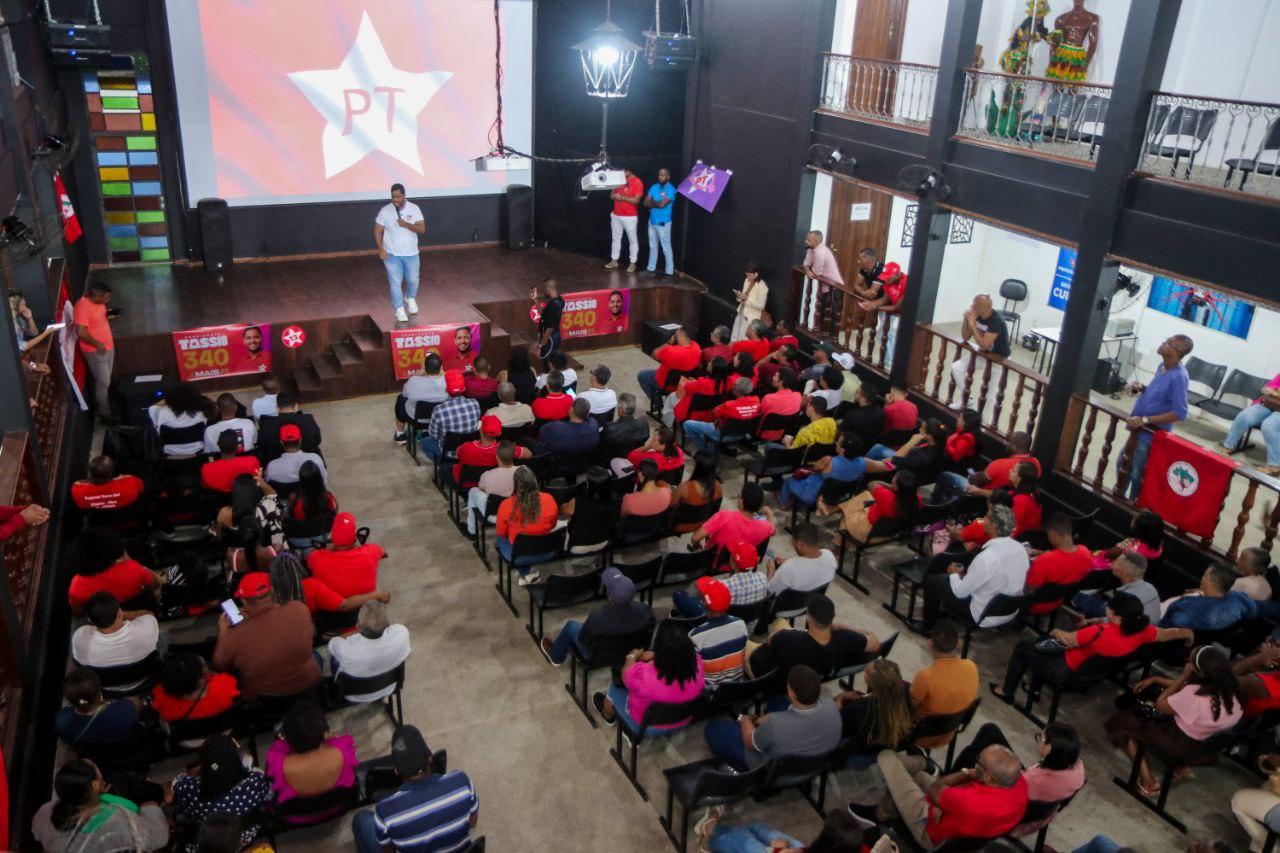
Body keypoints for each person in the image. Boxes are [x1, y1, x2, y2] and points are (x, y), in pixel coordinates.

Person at [993, 592, 1192, 705]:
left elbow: (1068, 640)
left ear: (1117, 617)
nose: (1107, 608)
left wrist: (1056, 631)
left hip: (1065, 671)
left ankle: (1007, 691)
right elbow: (1167, 634)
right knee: (1044, 644)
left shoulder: (1099, 631)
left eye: (1109, 608)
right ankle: (1033, 689)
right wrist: (1187, 633)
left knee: (1024, 647)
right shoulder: (1143, 630)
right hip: (1091, 673)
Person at [1105, 644, 1245, 797]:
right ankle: (1182, 768)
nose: (1186, 663)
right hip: (1201, 748)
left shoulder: (1195, 696)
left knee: (1123, 722)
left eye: (1189, 661)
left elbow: (1161, 705)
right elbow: (1187, 688)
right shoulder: (1233, 696)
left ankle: (1148, 782)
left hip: (1176, 742)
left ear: (1197, 670)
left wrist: (1183, 676)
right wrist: (1157, 679)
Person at [866, 743, 1028, 849]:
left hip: (927, 829)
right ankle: (881, 814)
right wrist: (944, 803)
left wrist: (967, 773)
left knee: (885, 755)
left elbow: (936, 788)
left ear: (986, 777)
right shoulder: (1020, 786)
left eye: (979, 761)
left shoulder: (969, 802)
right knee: (918, 776)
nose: (976, 761)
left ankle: (922, 761)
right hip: (955, 825)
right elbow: (947, 795)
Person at [351, 725, 480, 853]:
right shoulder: (462, 781)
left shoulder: (385, 811)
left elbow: (389, 851)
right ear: (430, 758)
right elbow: (472, 823)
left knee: (361, 819)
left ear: (396, 770)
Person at [951, 722, 1086, 836]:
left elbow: (1005, 789)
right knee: (990, 731)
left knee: (976, 756)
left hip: (1013, 811)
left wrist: (975, 771)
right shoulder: (1079, 768)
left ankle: (948, 783)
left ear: (1049, 749)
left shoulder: (1033, 780)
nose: (1039, 743)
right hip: (1038, 812)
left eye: (1041, 739)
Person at [212, 561, 321, 698]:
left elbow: (219, 664)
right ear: (274, 590)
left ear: (244, 601)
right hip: (309, 684)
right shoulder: (299, 608)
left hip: (267, 697)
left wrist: (223, 630)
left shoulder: (233, 637)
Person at [704, 664, 841, 769]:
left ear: (792, 694)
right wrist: (768, 718)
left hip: (767, 765)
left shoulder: (775, 726)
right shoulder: (832, 707)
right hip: (813, 763)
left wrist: (744, 720)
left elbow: (748, 741)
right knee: (777, 701)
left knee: (713, 728)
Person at [921, 504, 1028, 629]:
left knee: (932, 580)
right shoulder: (1021, 550)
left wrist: (954, 574)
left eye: (986, 517)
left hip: (983, 615)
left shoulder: (986, 559)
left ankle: (927, 626)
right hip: (1009, 611)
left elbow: (960, 593)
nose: (983, 519)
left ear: (993, 526)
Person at [33, 758, 170, 851]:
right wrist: (152, 808)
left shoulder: (45, 812)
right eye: (97, 771)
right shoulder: (119, 824)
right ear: (96, 784)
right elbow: (159, 837)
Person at [1119, 334, 1194, 498]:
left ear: (1177, 352)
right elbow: (1161, 395)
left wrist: (1145, 420)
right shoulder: (1162, 366)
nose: (1163, 343)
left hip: (1149, 435)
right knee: (1123, 465)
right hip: (1138, 430)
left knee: (1137, 475)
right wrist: (1143, 388)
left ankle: (1132, 508)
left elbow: (1179, 413)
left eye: (1168, 343)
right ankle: (1118, 498)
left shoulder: (1179, 377)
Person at [172, 734, 272, 851]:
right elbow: (268, 795)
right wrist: (240, 754)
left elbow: (176, 783)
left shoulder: (187, 786)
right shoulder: (255, 781)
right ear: (235, 760)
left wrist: (206, 767)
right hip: (241, 838)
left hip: (202, 845)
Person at [592, 625, 705, 728]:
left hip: (646, 725)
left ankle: (608, 717)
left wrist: (631, 656)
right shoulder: (698, 667)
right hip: (682, 720)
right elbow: (678, 658)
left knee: (614, 689)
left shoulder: (642, 675)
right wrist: (657, 655)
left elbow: (625, 674)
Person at [540, 566, 654, 666]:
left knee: (571, 627)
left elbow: (581, 641)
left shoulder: (597, 617)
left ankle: (556, 657)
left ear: (609, 595)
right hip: (628, 651)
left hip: (596, 657)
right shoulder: (645, 610)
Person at [747, 593, 878, 679]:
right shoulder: (844, 638)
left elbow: (771, 639)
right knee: (780, 621)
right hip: (809, 672)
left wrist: (783, 634)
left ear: (809, 618)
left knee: (744, 644)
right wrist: (844, 626)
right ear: (832, 618)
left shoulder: (790, 640)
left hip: (767, 674)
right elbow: (874, 643)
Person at [266, 702, 358, 820]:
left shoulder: (277, 763)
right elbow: (336, 741)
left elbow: (277, 751)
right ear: (324, 731)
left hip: (297, 818)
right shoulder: (342, 750)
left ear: (288, 737)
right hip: (336, 809)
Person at [910, 620, 980, 745]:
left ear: (930, 643)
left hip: (922, 733)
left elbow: (908, 706)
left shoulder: (925, 677)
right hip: (951, 729)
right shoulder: (971, 666)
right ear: (958, 644)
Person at [328, 601, 412, 701]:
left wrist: (355, 632)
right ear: (388, 625)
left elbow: (332, 643)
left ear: (358, 627)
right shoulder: (402, 633)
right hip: (389, 687)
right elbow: (394, 628)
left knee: (333, 657)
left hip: (354, 695)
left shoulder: (345, 650)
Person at [54, 665, 156, 746]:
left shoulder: (63, 721)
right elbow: (136, 702)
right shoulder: (125, 711)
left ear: (71, 701)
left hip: (96, 755)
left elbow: (68, 740)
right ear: (99, 694)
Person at [67, 527, 162, 611]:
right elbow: (156, 584)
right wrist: (129, 561)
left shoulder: (76, 587)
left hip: (103, 620)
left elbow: (78, 612)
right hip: (138, 607)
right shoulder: (133, 569)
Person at [495, 466, 560, 586]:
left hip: (519, 557)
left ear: (515, 485)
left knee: (499, 538)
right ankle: (527, 574)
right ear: (535, 482)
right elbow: (553, 525)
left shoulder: (506, 505)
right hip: (547, 552)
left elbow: (501, 533)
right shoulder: (549, 499)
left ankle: (526, 572)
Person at [835, 658, 914, 754]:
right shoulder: (906, 688)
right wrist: (864, 697)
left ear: (872, 683)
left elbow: (837, 722)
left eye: (866, 673)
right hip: (893, 743)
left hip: (866, 750)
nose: (864, 674)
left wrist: (839, 699)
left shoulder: (857, 708)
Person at [697, 809, 867, 853]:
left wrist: (778, 851)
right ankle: (715, 829)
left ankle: (709, 843)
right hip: (803, 850)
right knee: (758, 828)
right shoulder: (859, 847)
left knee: (742, 839)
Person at [826, 469, 920, 545]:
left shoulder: (887, 496)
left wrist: (891, 487)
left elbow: (872, 484)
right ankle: (834, 510)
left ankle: (838, 548)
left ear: (897, 487)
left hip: (867, 532)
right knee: (865, 496)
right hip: (890, 533)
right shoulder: (917, 500)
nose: (893, 478)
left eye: (894, 478)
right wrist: (896, 489)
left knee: (848, 512)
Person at [374, 182, 425, 322]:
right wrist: (381, 248)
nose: (395, 200)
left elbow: (422, 229)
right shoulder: (385, 211)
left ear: (404, 196)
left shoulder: (414, 209)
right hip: (392, 254)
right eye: (393, 197)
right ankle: (399, 309)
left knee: (413, 280)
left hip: (412, 254)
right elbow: (378, 231)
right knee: (395, 282)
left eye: (397, 196)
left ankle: (410, 297)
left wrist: (406, 225)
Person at [1024, 513, 1094, 613]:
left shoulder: (1044, 561)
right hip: (1058, 600)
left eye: (1048, 534)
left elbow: (1029, 590)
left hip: (1035, 604)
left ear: (1053, 533)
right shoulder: (1086, 554)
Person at [950, 294, 1011, 409]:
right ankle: (966, 400)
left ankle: (986, 422)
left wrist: (973, 324)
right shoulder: (976, 315)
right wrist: (965, 320)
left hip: (999, 360)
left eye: (974, 305)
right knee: (956, 368)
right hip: (984, 354)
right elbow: (965, 337)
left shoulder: (997, 322)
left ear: (983, 310)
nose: (971, 306)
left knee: (991, 395)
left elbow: (983, 345)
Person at [72, 591, 161, 669]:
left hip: (104, 686)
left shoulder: (79, 638)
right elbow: (149, 615)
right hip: (145, 681)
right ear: (119, 613)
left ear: (90, 620)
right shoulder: (146, 629)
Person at [780, 430, 866, 511]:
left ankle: (783, 505)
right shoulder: (863, 463)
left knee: (788, 480)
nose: (836, 443)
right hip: (835, 497)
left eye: (838, 442)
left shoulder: (828, 461)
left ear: (842, 450)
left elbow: (814, 469)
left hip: (814, 496)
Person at [306, 512, 386, 598]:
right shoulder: (371, 551)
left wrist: (330, 547)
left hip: (332, 604)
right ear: (355, 537)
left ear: (332, 538)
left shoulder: (316, 557)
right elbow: (383, 553)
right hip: (364, 601)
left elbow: (309, 565)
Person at [687, 578, 750, 688]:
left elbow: (692, 669)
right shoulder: (740, 623)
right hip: (737, 685)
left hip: (710, 692)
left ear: (704, 603)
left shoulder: (695, 636)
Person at [1161, 564, 1258, 632]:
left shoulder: (1187, 609)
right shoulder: (1239, 601)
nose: (1202, 578)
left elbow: (1168, 625)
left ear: (1213, 582)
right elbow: (1253, 609)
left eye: (1204, 576)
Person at [1074, 550, 1162, 623]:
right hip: (1140, 630)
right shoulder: (1151, 588)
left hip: (1127, 633)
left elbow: (1113, 620)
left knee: (1078, 597)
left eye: (1117, 562)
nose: (1113, 563)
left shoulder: (1126, 597)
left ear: (1125, 572)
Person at [691, 482, 776, 556]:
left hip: (714, 562)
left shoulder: (723, 516)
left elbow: (695, 538)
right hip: (739, 563)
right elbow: (772, 529)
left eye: (739, 495)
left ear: (741, 502)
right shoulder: (763, 527)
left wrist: (696, 546)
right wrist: (769, 512)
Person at [151, 652, 240, 722]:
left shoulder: (162, 698)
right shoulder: (225, 686)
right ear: (199, 680)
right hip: (221, 730)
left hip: (187, 740)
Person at [683, 376, 761, 455]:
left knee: (687, 424)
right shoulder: (756, 400)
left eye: (734, 386)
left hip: (723, 434)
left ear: (736, 390)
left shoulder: (729, 405)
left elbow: (714, 412)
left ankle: (704, 450)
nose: (732, 386)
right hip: (743, 434)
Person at [73, 281, 117, 417]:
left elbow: (96, 320)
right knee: (103, 382)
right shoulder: (82, 307)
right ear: (96, 295)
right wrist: (97, 343)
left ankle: (108, 407)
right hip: (96, 352)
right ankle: (106, 414)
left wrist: (109, 314)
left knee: (106, 380)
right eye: (106, 298)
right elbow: (80, 331)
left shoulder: (99, 304)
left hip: (108, 347)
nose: (108, 300)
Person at [1222, 372, 1280, 474]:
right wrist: (1269, 390)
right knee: (1244, 417)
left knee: (1269, 426)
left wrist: (1276, 393)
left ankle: (1275, 465)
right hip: (1269, 403)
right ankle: (1228, 446)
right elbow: (1266, 388)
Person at [421, 370, 481, 463]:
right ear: (464, 388)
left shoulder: (439, 410)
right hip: (468, 450)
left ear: (446, 389)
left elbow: (434, 435)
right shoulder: (475, 404)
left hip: (448, 454)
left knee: (424, 442)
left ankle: (443, 464)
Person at [453, 414, 529, 486]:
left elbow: (457, 453)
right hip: (493, 484)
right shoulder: (504, 449)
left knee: (446, 468)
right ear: (499, 433)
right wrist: (513, 449)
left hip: (466, 485)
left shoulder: (466, 447)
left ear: (480, 429)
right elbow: (528, 454)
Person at [465, 440, 521, 536]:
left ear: (497, 457)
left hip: (495, 515)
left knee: (473, 491)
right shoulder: (522, 472)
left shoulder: (487, 475)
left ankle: (472, 531)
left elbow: (481, 488)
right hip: (518, 511)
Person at [765, 523, 837, 596]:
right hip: (813, 601)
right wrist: (791, 560)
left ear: (800, 544)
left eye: (793, 542)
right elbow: (809, 563)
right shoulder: (829, 556)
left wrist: (770, 572)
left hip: (787, 605)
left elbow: (769, 592)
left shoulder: (788, 568)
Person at [216, 472, 284, 549]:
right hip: (264, 551)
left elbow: (220, 538)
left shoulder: (223, 513)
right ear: (255, 491)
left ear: (235, 492)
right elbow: (272, 495)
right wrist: (261, 481)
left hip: (238, 555)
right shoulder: (267, 507)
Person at [639, 326, 702, 407]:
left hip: (666, 384)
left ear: (682, 334)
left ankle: (659, 404)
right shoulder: (696, 347)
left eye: (677, 332)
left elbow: (654, 354)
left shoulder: (670, 350)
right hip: (684, 383)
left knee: (642, 375)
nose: (675, 333)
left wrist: (668, 343)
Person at [967, 431, 1040, 496]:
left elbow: (978, 480)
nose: (1007, 444)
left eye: (1009, 442)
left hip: (986, 499)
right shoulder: (1036, 464)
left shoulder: (1000, 464)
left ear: (1014, 447)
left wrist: (972, 477)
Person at [1090, 508, 1165, 571]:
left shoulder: (1131, 546)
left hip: (1117, 569)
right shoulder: (1158, 543)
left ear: (1140, 530)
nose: (1131, 523)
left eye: (1133, 522)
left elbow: (1109, 554)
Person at [148, 381, 208, 458]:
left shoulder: (162, 412)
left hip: (170, 456)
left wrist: (172, 399)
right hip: (197, 455)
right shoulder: (201, 413)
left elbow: (152, 408)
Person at [259, 391, 322, 461]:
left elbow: (262, 447)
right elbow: (317, 441)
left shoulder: (266, 425)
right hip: (307, 461)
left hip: (277, 460)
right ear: (296, 406)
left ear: (277, 408)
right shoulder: (308, 419)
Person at [670, 450, 723, 533]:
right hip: (703, 523)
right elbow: (715, 509)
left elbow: (669, 504)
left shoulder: (685, 487)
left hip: (680, 525)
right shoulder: (718, 487)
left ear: (698, 468)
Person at [71, 454, 145, 511]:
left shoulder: (77, 490)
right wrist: (121, 478)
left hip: (98, 520)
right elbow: (141, 487)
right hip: (124, 516)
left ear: (90, 474)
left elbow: (79, 483)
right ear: (111, 473)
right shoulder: (131, 483)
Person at [535, 397, 600, 460]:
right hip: (584, 464)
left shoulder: (554, 427)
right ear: (588, 414)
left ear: (571, 410)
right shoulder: (594, 424)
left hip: (559, 465)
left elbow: (542, 433)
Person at [606, 169, 645, 272]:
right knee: (616, 238)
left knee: (632, 240)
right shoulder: (618, 179)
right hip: (616, 214)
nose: (622, 172)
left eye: (624, 170)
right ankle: (614, 260)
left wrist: (622, 197)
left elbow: (637, 200)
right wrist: (613, 196)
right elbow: (611, 194)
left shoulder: (638, 182)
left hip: (630, 216)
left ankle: (633, 263)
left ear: (631, 170)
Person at [201, 430, 262, 494]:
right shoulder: (252, 461)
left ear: (218, 444)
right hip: (247, 499)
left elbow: (206, 488)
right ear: (238, 446)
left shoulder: (206, 468)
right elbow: (258, 482)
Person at [645, 166, 677, 276]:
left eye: (663, 175)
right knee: (653, 246)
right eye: (659, 174)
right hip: (652, 221)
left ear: (668, 177)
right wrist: (655, 203)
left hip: (663, 222)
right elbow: (645, 202)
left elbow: (662, 205)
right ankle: (650, 268)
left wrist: (652, 201)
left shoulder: (671, 189)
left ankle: (669, 273)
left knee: (666, 248)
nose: (660, 176)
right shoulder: (654, 186)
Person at [600, 392, 650, 462]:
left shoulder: (610, 428)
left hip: (612, 460)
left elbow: (602, 445)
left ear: (620, 409)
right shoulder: (643, 424)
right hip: (632, 458)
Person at [758, 367, 803, 441]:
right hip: (781, 434)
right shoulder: (798, 396)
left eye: (775, 376)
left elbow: (760, 414)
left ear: (781, 382)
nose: (773, 377)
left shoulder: (768, 398)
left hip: (763, 433)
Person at [731, 262, 769, 341]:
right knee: (734, 336)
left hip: (750, 318)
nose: (747, 277)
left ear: (756, 274)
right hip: (741, 312)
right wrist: (739, 296)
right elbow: (744, 295)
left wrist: (746, 299)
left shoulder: (762, 287)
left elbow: (761, 305)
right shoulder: (746, 281)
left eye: (749, 275)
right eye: (746, 275)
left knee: (742, 339)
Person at [532, 277, 565, 359]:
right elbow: (544, 315)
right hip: (555, 336)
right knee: (552, 361)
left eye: (544, 289)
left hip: (550, 338)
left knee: (549, 363)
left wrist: (540, 346)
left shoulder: (553, 305)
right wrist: (535, 300)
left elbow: (550, 328)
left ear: (548, 288)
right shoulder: (560, 300)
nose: (544, 293)